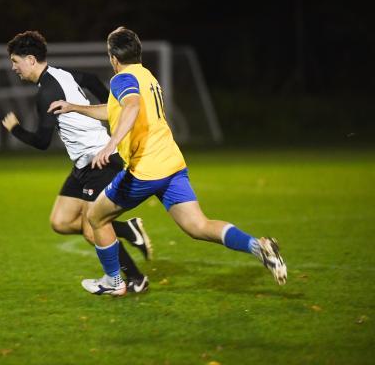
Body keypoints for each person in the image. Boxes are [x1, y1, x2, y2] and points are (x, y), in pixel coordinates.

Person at [49, 26, 287, 296]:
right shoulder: (147, 75)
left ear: (113, 57)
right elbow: (114, 109)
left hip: (144, 169)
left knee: (95, 217)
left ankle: (114, 281)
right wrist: (74, 107)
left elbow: (132, 106)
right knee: (198, 226)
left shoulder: (121, 78)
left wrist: (111, 144)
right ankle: (258, 246)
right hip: (171, 165)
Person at [1, 30, 152, 293]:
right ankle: (127, 230)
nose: (14, 68)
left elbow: (42, 141)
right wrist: (109, 104)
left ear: (31, 60)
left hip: (100, 161)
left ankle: (135, 279)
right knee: (60, 222)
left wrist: (15, 129)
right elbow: (92, 80)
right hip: (83, 164)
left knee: (92, 228)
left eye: (16, 61)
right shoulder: (62, 73)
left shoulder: (47, 91)